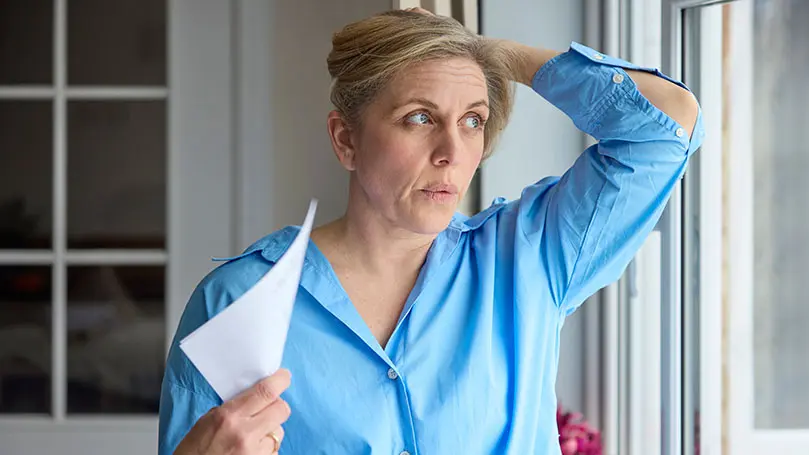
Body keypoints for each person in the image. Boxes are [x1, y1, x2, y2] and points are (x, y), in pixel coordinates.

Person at [159, 7, 703, 455]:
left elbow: (666, 127)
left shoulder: (530, 259)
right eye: (419, 118)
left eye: (472, 120)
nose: (451, 153)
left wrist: (491, 55)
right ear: (345, 139)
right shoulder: (236, 303)